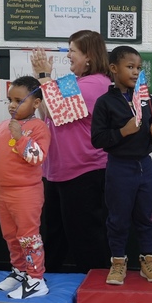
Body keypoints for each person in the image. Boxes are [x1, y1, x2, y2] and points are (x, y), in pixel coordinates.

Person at [30, 30, 112, 273]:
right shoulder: (71, 82)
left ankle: (97, 290)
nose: (68, 55)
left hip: (84, 172)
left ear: (88, 55)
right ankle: (46, 283)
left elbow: (59, 111)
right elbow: (47, 114)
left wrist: (45, 76)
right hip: (58, 171)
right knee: (55, 234)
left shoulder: (98, 83)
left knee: (86, 236)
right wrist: (42, 79)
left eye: (72, 51)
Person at [91, 45, 152, 285]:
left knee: (146, 216)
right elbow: (98, 139)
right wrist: (123, 131)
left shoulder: (146, 99)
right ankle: (118, 262)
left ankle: (147, 260)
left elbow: (149, 131)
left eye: (139, 68)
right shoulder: (104, 102)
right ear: (114, 69)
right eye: (130, 67)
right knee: (118, 218)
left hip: (144, 166)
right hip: (119, 168)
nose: (135, 72)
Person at [0, 76, 51, 299]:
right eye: (10, 99)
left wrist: (20, 137)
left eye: (19, 100)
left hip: (26, 193)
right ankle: (20, 271)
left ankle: (36, 279)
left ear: (36, 103)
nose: (12, 105)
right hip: (4, 193)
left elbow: (37, 157)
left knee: (28, 236)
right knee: (11, 236)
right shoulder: (1, 128)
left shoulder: (39, 128)